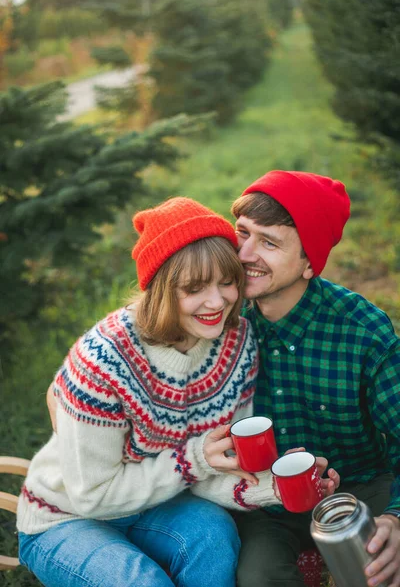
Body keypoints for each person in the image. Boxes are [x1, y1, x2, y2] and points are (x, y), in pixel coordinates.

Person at [17, 196, 337, 587]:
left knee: (215, 538)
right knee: (142, 581)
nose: (217, 302)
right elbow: (93, 497)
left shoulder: (235, 343)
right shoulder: (104, 360)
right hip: (67, 515)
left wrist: (272, 488)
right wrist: (193, 459)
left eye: (227, 282)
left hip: (159, 505)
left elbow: (216, 463)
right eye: (195, 288)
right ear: (162, 290)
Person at [230, 170, 400, 587]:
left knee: (380, 569)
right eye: (242, 234)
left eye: (269, 243)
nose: (245, 254)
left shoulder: (362, 331)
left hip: (360, 487)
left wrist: (396, 517)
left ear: (309, 263)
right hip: (267, 502)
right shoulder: (221, 320)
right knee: (257, 577)